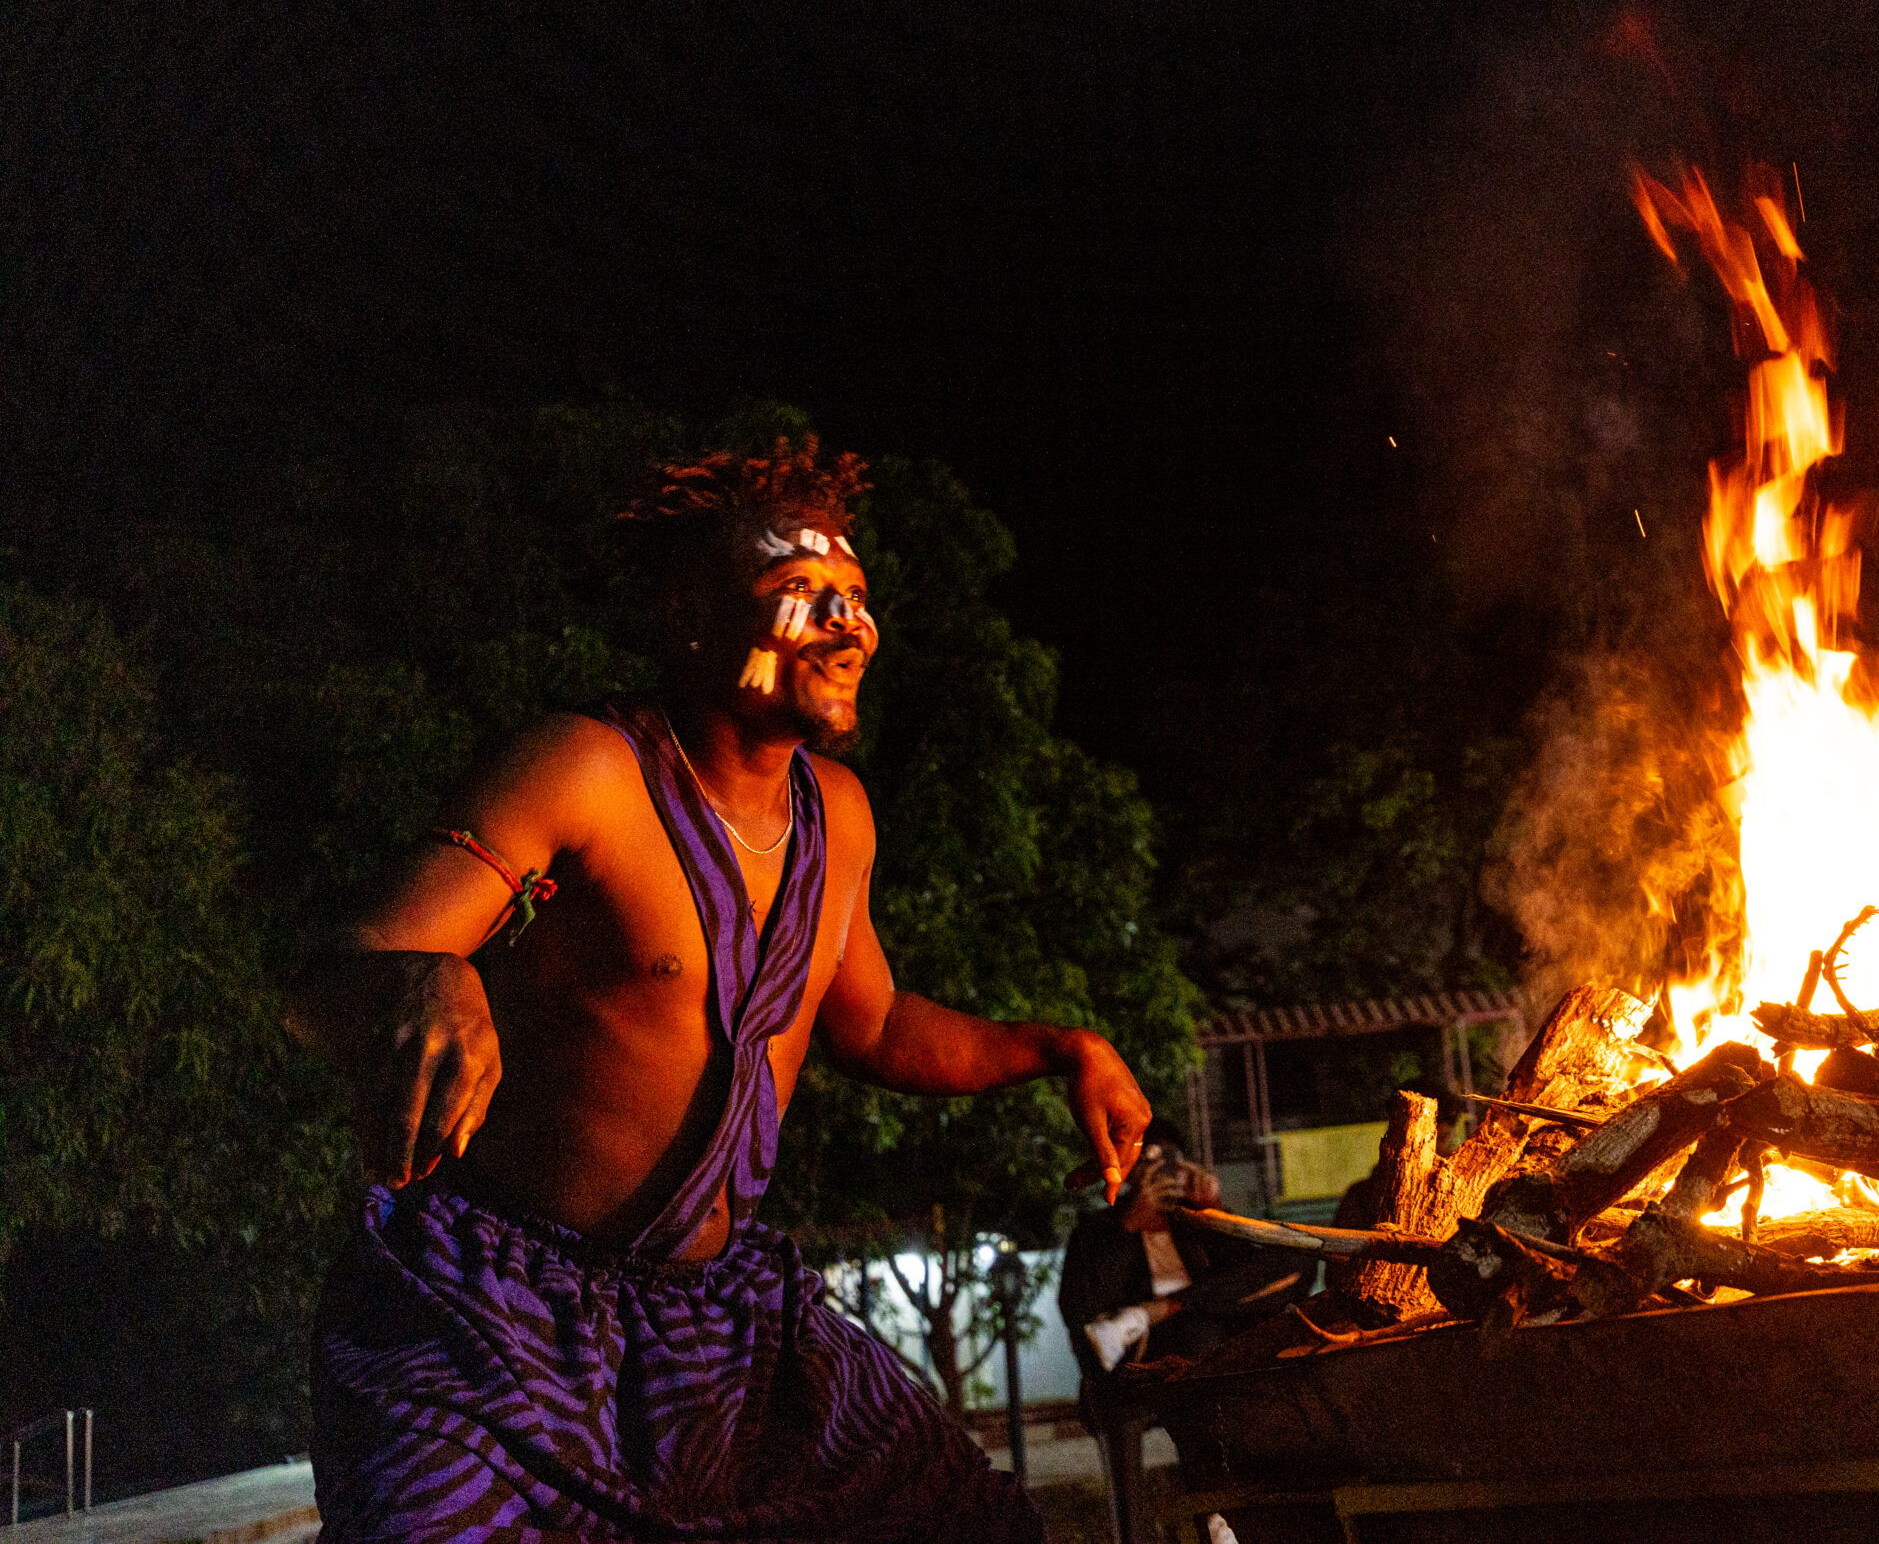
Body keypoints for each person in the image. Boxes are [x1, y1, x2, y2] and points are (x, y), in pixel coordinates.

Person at [285, 439, 1154, 1541]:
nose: (847, 625)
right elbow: (326, 977)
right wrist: (425, 973)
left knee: (973, 1525)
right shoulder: (586, 770)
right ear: (691, 617)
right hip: (499, 1313)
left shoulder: (838, 813)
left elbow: (876, 1023)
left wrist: (1060, 1047)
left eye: (854, 596)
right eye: (802, 592)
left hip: (725, 1321)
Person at [1056, 1123, 1310, 1544]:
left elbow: (1253, 1278)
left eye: (1169, 1162)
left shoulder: (1194, 1221)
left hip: (1207, 1346)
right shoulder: (1099, 1229)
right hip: (1137, 1360)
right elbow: (1080, 1309)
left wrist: (1217, 1212)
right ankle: (1216, 1520)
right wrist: (1130, 1224)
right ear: (1128, 1172)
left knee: (1297, 1260)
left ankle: (1161, 1310)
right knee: (1200, 1337)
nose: (1159, 1173)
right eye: (1147, 1162)